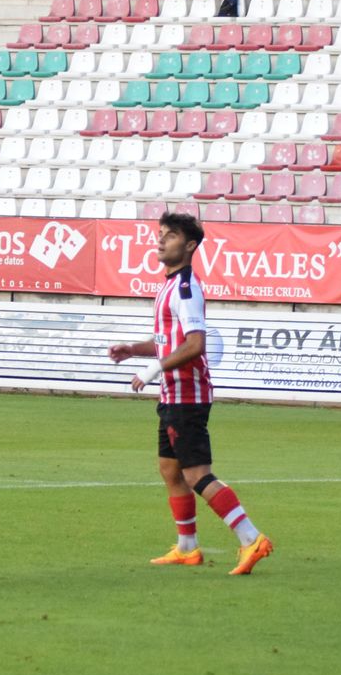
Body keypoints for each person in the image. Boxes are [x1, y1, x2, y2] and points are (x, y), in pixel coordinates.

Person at [107, 211, 273, 574]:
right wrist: (133, 349)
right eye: (161, 234)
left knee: (197, 473)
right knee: (170, 469)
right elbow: (169, 341)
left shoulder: (186, 288)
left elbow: (195, 344)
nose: (161, 240)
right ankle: (187, 547)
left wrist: (153, 368)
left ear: (190, 245)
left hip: (187, 395)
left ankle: (251, 538)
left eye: (170, 236)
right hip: (172, 394)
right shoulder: (168, 285)